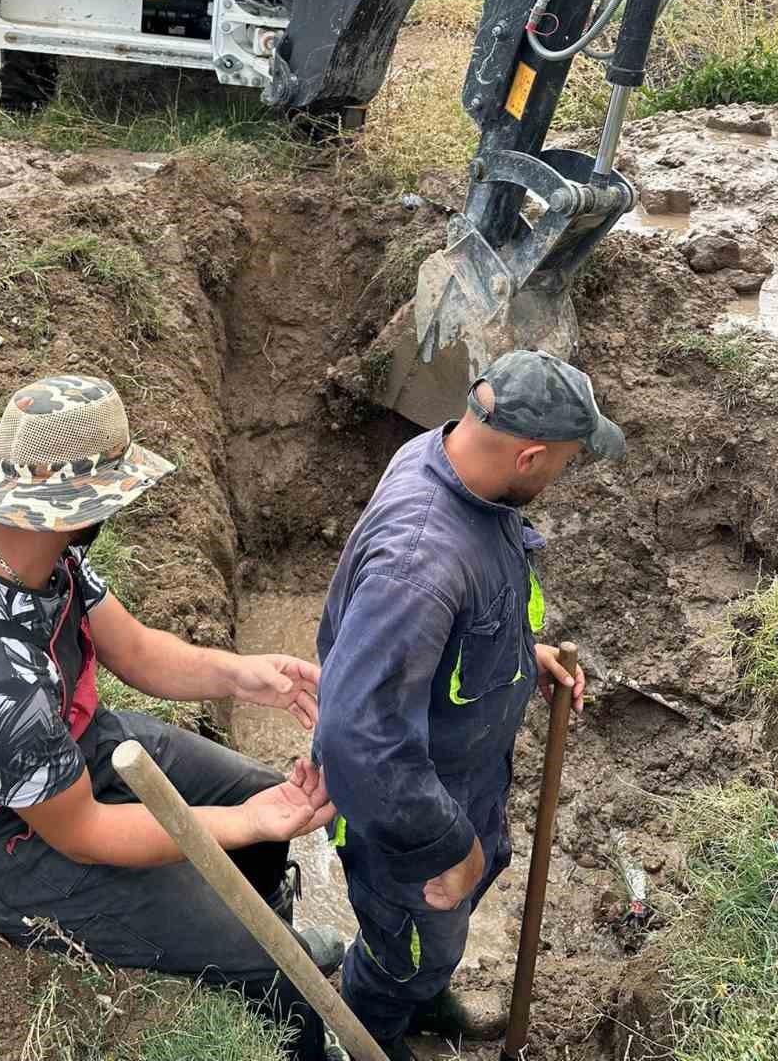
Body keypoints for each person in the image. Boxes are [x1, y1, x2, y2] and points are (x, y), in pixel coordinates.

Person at [0, 374, 344, 1061]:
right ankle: (286, 1005)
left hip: (65, 743)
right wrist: (247, 824)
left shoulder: (29, 550)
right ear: (71, 507)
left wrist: (242, 676)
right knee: (254, 932)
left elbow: (136, 649)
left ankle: (275, 936)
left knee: (252, 798)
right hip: (5, 842)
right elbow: (87, 833)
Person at [313, 351, 626, 1060]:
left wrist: (521, 658)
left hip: (464, 777)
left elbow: (457, 624)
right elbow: (359, 737)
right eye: (566, 462)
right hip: (409, 818)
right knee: (405, 947)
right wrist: (446, 846)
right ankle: (370, 1037)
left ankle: (425, 998)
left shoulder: (453, 458)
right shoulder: (418, 564)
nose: (562, 476)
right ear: (530, 456)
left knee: (432, 943)